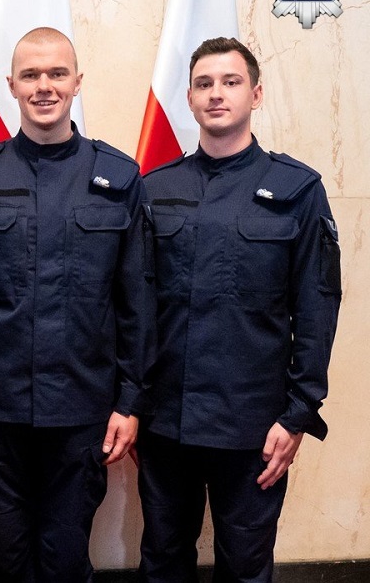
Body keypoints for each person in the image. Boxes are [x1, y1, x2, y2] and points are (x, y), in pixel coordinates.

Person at [0, 26, 154, 581]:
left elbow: (137, 301)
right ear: (11, 85)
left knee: (64, 558)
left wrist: (129, 402)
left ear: (78, 82)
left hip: (84, 409)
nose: (44, 86)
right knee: (5, 559)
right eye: (31, 75)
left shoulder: (119, 178)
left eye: (57, 73)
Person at [137, 37, 341, 582]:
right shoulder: (156, 190)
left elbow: (317, 309)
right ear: (189, 97)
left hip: (253, 424)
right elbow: (132, 307)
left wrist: (298, 412)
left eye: (230, 82)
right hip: (165, 421)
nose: (216, 94)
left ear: (256, 93)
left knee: (246, 566)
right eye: (204, 84)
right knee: (161, 561)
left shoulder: (297, 188)